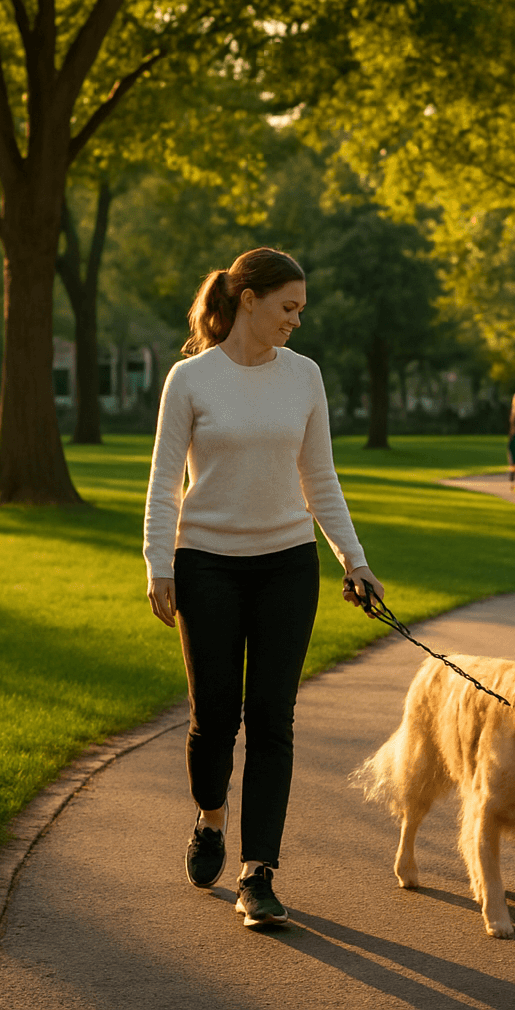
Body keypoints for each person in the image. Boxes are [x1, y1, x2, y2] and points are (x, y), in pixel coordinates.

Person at [143, 247, 384, 929]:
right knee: (215, 715)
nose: (296, 321)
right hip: (206, 564)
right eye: (288, 307)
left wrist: (353, 559)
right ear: (247, 299)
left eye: (300, 310)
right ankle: (210, 820)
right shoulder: (190, 379)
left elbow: (321, 477)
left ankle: (258, 875)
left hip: (286, 562)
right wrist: (158, 562)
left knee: (273, 717)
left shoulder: (304, 376)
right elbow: (164, 484)